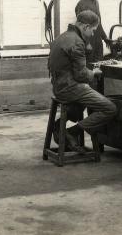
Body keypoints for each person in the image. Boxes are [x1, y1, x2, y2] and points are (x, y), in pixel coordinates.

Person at [48, 10, 117, 151]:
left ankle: (58, 126)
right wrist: (95, 73)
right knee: (110, 108)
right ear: (85, 27)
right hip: (69, 88)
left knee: (84, 100)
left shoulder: (62, 37)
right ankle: (72, 132)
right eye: (92, 30)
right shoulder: (78, 42)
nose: (92, 34)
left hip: (58, 86)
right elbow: (81, 75)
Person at [75, 0, 111, 66]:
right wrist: (87, 43)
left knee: (99, 65)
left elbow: (98, 23)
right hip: (89, 40)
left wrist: (105, 38)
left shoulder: (96, 2)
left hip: (97, 39)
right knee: (90, 65)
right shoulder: (82, 3)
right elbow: (81, 26)